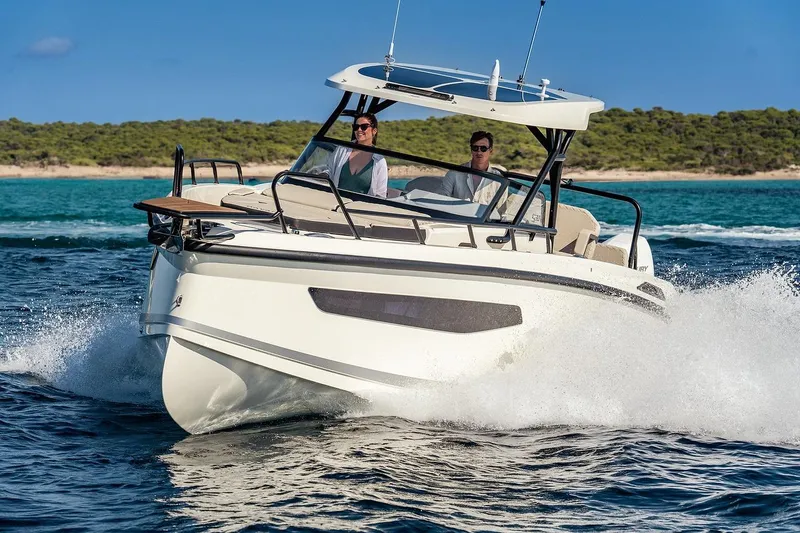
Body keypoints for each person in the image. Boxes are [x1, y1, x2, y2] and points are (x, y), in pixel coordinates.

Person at [325, 113, 388, 198]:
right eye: (356, 127)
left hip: (360, 209)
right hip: (334, 204)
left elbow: (380, 195)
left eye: (364, 126)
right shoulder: (342, 150)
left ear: (374, 131)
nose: (359, 130)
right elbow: (327, 171)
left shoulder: (380, 161)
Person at [438, 131, 503, 204]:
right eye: (475, 148)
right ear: (471, 150)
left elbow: (501, 212)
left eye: (483, 148)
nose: (479, 152)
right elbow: (441, 199)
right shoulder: (454, 173)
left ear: (490, 151)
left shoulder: (499, 180)